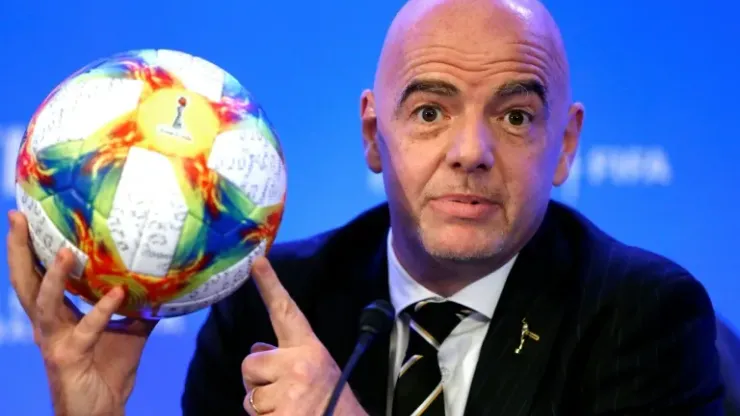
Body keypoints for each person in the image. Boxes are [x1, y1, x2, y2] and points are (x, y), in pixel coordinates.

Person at [5, 0, 726, 414]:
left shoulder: (645, 317)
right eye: (430, 112)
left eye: (515, 117)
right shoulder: (265, 307)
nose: (471, 152)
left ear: (564, 145)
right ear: (373, 135)